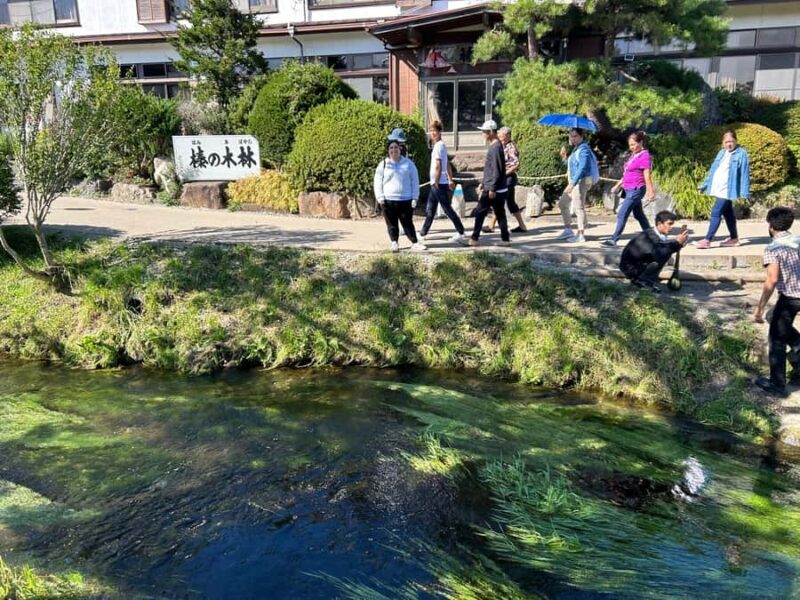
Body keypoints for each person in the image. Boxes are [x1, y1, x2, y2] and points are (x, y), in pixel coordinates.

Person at [754, 207, 800, 397]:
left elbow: (771, 280)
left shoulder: (773, 248)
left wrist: (759, 307)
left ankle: (777, 384)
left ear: (771, 226)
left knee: (777, 340)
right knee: (774, 316)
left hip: (790, 298)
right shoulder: (798, 241)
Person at [695, 129, 750, 249]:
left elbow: (745, 173)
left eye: (731, 141)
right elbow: (713, 170)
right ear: (723, 142)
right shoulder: (721, 153)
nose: (729, 144)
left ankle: (707, 240)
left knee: (716, 212)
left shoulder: (741, 153)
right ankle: (734, 239)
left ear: (736, 141)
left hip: (727, 189)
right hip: (718, 187)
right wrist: (704, 185)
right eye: (726, 142)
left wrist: (744, 192)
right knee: (728, 214)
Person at [374, 130, 425, 253]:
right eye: (391, 148)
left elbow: (414, 181)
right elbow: (377, 182)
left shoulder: (409, 164)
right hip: (388, 200)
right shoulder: (383, 164)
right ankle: (394, 242)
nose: (393, 150)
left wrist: (415, 197)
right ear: (388, 150)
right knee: (392, 224)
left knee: (407, 223)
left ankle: (414, 242)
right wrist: (380, 197)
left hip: (405, 200)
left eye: (396, 147)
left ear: (400, 149)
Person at [419, 120, 468, 245]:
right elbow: (448, 165)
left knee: (446, 209)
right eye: (431, 131)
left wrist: (436, 181)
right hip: (438, 183)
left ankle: (461, 232)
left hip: (438, 184)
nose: (432, 133)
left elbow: (439, 165)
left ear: (440, 131)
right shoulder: (441, 145)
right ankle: (423, 233)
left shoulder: (438, 146)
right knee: (431, 209)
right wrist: (450, 179)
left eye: (435, 130)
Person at [602, 131, 654, 247]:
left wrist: (651, 191)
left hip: (637, 188)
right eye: (630, 145)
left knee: (622, 213)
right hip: (628, 188)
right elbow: (626, 174)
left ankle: (614, 239)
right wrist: (618, 185)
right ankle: (652, 237)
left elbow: (647, 175)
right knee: (639, 215)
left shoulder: (644, 156)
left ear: (641, 142)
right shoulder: (633, 155)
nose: (631, 147)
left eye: (634, 144)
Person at [619, 210, 689, 293]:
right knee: (660, 258)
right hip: (630, 268)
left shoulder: (653, 234)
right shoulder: (650, 237)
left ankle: (645, 279)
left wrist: (679, 243)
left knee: (666, 252)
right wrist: (677, 243)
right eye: (669, 224)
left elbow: (664, 246)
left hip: (635, 265)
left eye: (672, 224)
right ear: (659, 224)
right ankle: (642, 281)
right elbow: (660, 253)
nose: (671, 227)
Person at [470, 120, 510, 247]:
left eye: (484, 131)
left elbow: (497, 170)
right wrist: (483, 182)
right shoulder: (495, 146)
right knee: (500, 213)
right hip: (493, 186)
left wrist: (491, 188)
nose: (483, 134)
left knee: (480, 212)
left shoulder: (496, 147)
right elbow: (490, 169)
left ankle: (474, 238)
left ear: (491, 132)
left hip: (493, 189)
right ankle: (505, 239)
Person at [556, 128, 599, 244]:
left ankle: (581, 234)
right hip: (574, 182)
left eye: (575, 136)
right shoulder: (576, 149)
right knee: (562, 203)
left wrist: (573, 183)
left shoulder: (584, 148)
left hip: (580, 182)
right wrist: (564, 157)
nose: (572, 138)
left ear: (581, 136)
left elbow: (583, 167)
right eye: (571, 136)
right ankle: (568, 229)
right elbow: (572, 165)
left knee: (579, 207)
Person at [484, 126, 526, 234]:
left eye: (501, 134)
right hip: (504, 177)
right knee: (511, 203)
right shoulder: (501, 146)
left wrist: (503, 174)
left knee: (499, 200)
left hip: (508, 178)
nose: (499, 136)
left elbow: (516, 164)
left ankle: (491, 225)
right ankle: (522, 226)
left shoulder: (511, 147)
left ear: (507, 135)